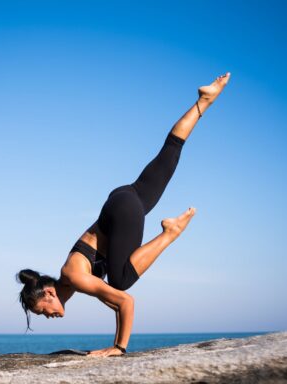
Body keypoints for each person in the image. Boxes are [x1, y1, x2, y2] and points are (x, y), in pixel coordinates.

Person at [16, 73, 231, 357]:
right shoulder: (72, 280)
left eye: (43, 311)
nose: (48, 317)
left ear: (49, 294)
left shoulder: (74, 277)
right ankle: (205, 100)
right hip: (123, 199)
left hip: (123, 212)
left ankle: (170, 233)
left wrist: (118, 347)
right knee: (169, 153)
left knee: (120, 281)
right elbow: (113, 303)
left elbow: (125, 301)